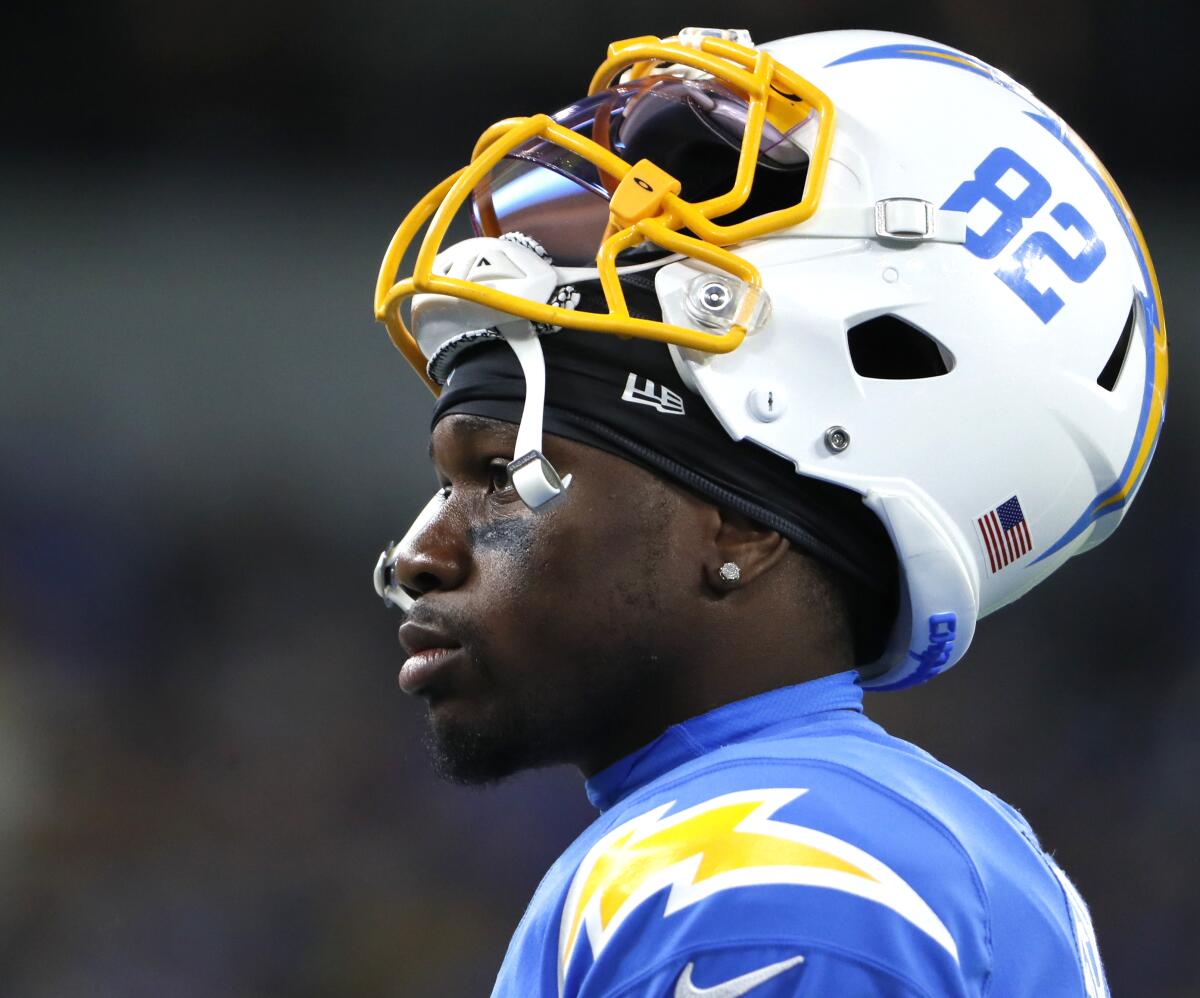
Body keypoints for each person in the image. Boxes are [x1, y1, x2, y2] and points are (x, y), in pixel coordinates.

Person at [370, 27, 1165, 996]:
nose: (419, 551)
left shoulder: (755, 874)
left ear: (743, 525)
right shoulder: (886, 839)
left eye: (501, 469)